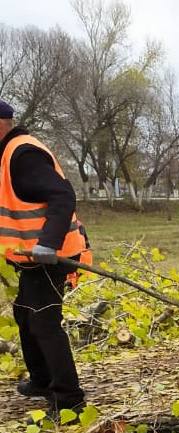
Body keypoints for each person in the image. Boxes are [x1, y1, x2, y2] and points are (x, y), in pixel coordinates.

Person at [0, 100, 87, 416]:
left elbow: (63, 195)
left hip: (52, 255)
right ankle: (42, 380)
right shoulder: (8, 154)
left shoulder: (23, 155)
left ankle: (69, 399)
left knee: (44, 322)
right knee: (25, 314)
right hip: (32, 257)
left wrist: (48, 243)